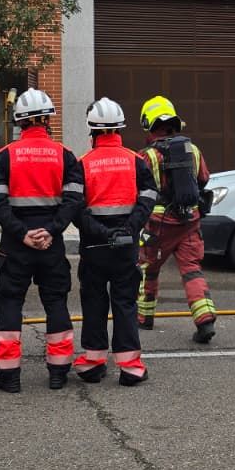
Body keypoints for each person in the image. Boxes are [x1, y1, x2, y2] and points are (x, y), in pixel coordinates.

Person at [0, 89, 84, 393]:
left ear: (19, 122)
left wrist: (21, 233)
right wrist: (51, 230)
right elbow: (74, 199)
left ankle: (9, 375)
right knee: (55, 302)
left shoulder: (5, 156)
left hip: (15, 245)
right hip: (50, 244)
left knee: (10, 302)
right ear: (48, 120)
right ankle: (58, 371)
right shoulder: (65, 155)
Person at [71, 98, 157, 386]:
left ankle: (93, 364)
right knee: (125, 304)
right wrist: (129, 229)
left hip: (94, 249)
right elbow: (148, 199)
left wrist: (100, 232)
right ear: (120, 127)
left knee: (94, 303)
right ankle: (131, 367)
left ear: (92, 131)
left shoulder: (82, 163)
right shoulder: (136, 160)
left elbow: (76, 209)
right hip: (125, 248)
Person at [136, 96, 217, 343]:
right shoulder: (193, 150)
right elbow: (203, 178)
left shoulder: (146, 156)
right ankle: (205, 320)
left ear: (150, 125)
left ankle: (144, 318)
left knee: (147, 269)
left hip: (158, 225)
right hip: (190, 220)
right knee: (192, 270)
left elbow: (138, 189)